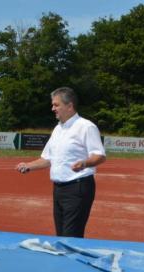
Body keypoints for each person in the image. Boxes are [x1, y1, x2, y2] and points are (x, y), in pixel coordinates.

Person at [16, 87, 106, 238]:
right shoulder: (58, 129)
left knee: (71, 237)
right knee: (61, 235)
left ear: (69, 106)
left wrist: (84, 163)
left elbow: (100, 156)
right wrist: (28, 166)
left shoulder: (86, 127)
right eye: (53, 105)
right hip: (59, 189)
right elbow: (47, 158)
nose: (53, 108)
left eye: (56, 105)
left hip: (78, 188)